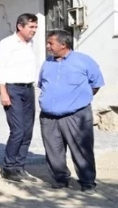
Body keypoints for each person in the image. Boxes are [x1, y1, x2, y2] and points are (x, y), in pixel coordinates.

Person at [38, 30, 104, 192]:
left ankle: (87, 182)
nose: (47, 46)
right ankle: (60, 179)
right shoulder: (47, 63)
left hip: (76, 115)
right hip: (48, 116)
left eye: (50, 43)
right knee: (53, 149)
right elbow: (42, 84)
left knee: (81, 149)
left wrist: (77, 100)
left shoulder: (84, 61)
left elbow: (95, 84)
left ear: (63, 44)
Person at [0, 13, 39, 183]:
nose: (34, 30)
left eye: (35, 27)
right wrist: (2, 91)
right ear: (20, 26)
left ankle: (19, 167)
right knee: (17, 129)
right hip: (12, 89)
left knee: (28, 130)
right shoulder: (7, 44)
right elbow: (0, 69)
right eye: (31, 27)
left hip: (28, 89)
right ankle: (8, 167)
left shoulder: (31, 43)